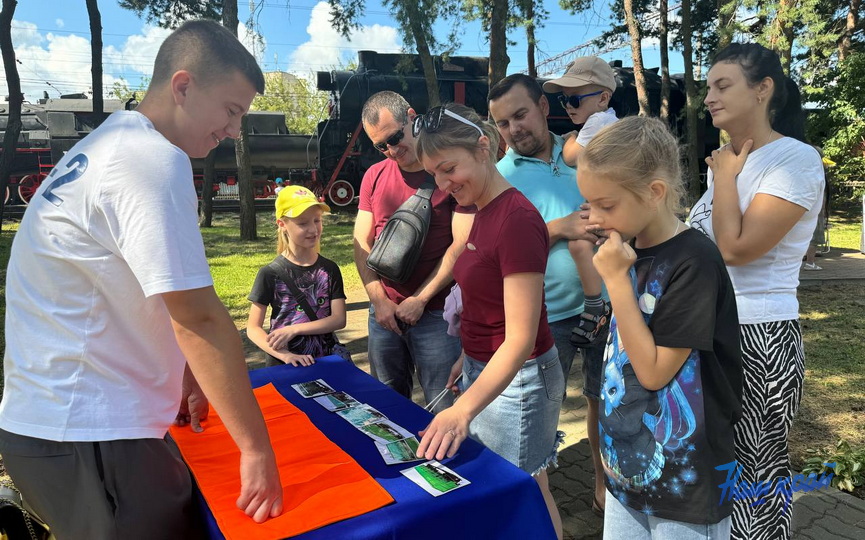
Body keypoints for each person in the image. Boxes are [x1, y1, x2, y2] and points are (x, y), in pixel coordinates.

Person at [0, 20, 283, 537]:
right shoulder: (149, 159)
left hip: (65, 427)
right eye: (231, 110)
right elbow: (196, 315)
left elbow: (115, 286)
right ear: (183, 86)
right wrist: (256, 448)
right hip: (89, 432)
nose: (234, 129)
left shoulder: (111, 145)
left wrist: (182, 375)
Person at [581, 116, 743, 540]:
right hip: (627, 473)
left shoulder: (694, 262)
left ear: (654, 193)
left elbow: (653, 372)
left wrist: (616, 282)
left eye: (607, 205)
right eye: (589, 205)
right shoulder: (628, 249)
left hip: (686, 485)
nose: (595, 219)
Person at [690, 42, 824, 540]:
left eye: (722, 85)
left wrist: (725, 176)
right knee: (721, 465)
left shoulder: (795, 159)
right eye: (708, 87)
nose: (709, 97)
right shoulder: (726, 163)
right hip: (710, 331)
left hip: (759, 337)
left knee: (756, 472)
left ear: (763, 90)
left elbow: (738, 249)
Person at [413, 104, 564, 540]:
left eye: (448, 169)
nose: (442, 186)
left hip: (520, 379)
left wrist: (461, 412)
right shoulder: (482, 209)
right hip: (487, 370)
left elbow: (519, 338)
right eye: (434, 176)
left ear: (483, 148)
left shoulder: (515, 219)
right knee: (526, 489)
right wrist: (467, 353)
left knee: (517, 497)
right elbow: (487, 303)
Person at [488, 73, 608, 515]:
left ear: (543, 106)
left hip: (608, 306)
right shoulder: (498, 177)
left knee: (605, 403)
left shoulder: (585, 147)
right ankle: (538, 503)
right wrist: (558, 228)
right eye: (502, 123)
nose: (514, 128)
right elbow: (498, 247)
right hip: (544, 318)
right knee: (538, 414)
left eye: (520, 114)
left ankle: (602, 485)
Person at [353, 91, 472, 413]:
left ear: (411, 116)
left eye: (394, 138)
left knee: (443, 404)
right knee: (385, 406)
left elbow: (459, 247)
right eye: (381, 146)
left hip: (435, 313)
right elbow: (361, 241)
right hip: (384, 314)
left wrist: (420, 299)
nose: (392, 151)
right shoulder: (374, 176)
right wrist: (379, 300)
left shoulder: (446, 169)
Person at [543, 56, 619, 348]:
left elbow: (569, 156)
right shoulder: (607, 120)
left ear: (602, 98)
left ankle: (595, 304)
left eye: (575, 100)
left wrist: (571, 136)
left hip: (607, 202)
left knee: (579, 244)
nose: (568, 107)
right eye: (564, 100)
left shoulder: (598, 122)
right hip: (610, 199)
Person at [247, 186, 347, 367]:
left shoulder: (329, 269)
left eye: (317, 220)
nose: (313, 229)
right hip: (284, 364)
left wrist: (294, 329)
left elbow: (339, 319)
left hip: (324, 362)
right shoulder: (269, 274)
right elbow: (253, 328)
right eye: (303, 223)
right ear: (282, 224)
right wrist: (285, 355)